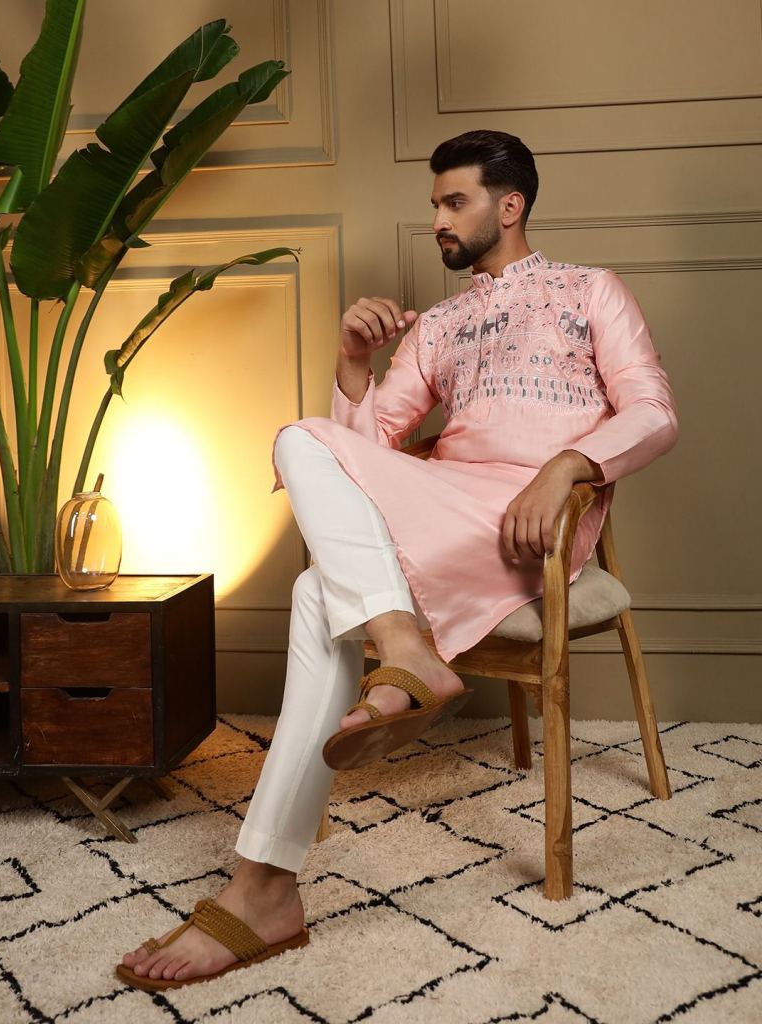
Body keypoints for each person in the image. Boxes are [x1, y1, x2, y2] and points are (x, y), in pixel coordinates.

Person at [117, 129, 679, 989]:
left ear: (510, 206)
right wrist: (354, 361)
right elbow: (365, 450)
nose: (439, 221)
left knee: (317, 591)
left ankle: (266, 884)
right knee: (304, 441)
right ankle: (400, 655)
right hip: (440, 505)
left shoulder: (588, 290)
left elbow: (653, 411)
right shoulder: (441, 324)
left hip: (533, 523)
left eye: (455, 202)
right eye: (435, 205)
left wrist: (568, 465)